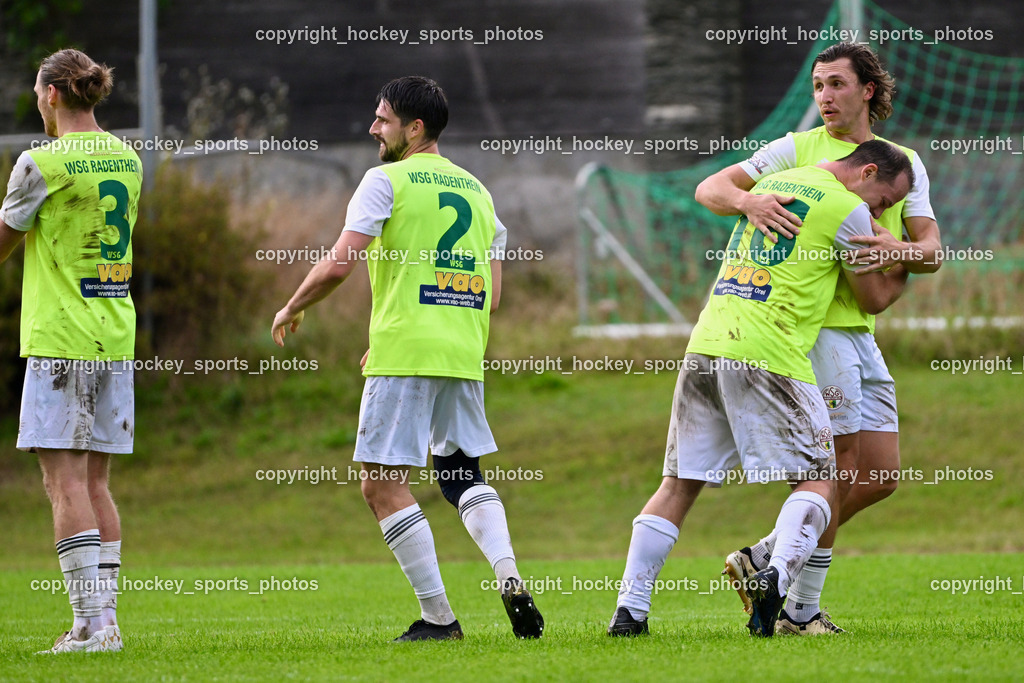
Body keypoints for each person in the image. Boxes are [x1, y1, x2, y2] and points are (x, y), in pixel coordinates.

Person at [272, 76, 543, 642]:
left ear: (413, 128)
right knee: (460, 473)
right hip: (463, 352)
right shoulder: (477, 191)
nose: (373, 128)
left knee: (380, 483)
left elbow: (340, 263)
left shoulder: (384, 180)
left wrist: (292, 306)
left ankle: (439, 619)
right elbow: (492, 295)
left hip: (406, 349)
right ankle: (509, 573)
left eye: (383, 119)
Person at [607, 140, 914, 638]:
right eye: (882, 202)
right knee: (820, 479)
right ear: (867, 173)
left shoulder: (771, 185)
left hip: (706, 345)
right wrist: (901, 256)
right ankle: (776, 577)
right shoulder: (849, 208)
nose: (880, 213)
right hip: (771, 352)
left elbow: (715, 192)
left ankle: (629, 612)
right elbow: (873, 297)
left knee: (678, 484)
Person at [694, 41, 942, 635]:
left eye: (836, 85)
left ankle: (766, 554)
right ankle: (802, 612)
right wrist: (747, 199)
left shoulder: (900, 161)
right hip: (811, 334)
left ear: (869, 92)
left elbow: (932, 250)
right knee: (835, 466)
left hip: (865, 328)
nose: (825, 97)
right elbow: (710, 189)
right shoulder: (794, 150)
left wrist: (899, 251)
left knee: (879, 476)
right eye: (818, 86)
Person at [0, 49, 142, 653]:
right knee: (96, 483)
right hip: (115, 335)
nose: (36, 101)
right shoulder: (129, 157)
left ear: (54, 94)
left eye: (37, 91)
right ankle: (103, 622)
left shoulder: (40, 162)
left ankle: (91, 627)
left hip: (60, 338)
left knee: (64, 485)